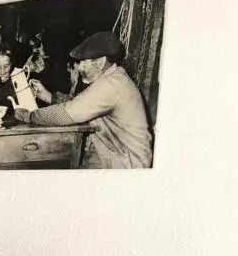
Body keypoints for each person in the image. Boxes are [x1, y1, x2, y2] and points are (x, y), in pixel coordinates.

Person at [14, 31, 153, 169]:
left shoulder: (111, 84)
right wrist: (49, 97)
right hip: (115, 155)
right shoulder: (112, 77)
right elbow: (79, 103)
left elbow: (66, 114)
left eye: (84, 62)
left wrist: (28, 116)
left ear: (100, 62)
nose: (79, 67)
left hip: (128, 165)